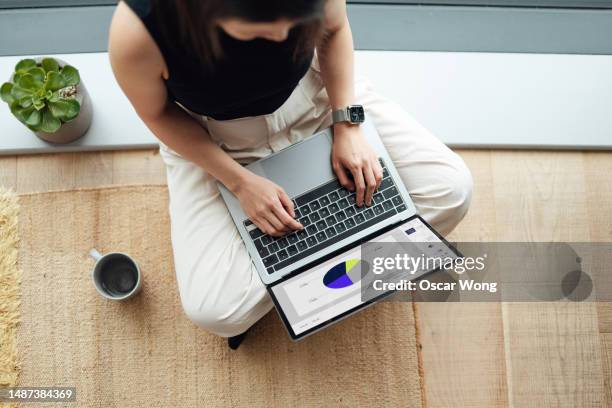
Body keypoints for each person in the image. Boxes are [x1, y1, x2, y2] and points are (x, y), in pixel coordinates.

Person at [109, 0, 473, 348]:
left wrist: (346, 122)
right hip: (212, 137)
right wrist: (239, 182)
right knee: (217, 312)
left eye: (297, 22)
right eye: (264, 31)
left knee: (451, 190)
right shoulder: (138, 33)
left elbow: (333, 31)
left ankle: (317, 276)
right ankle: (337, 262)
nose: (286, 38)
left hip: (315, 98)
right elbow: (157, 115)